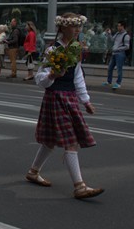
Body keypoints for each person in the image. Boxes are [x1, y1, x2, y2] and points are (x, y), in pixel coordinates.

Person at [25, 13, 104, 199]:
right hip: (56, 97)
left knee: (50, 141)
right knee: (71, 142)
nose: (77, 30)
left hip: (70, 98)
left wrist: (86, 101)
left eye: (79, 27)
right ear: (63, 28)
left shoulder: (75, 49)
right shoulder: (53, 50)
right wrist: (52, 75)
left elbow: (78, 77)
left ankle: (33, 172)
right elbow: (39, 79)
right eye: (73, 26)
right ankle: (79, 186)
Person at [103, 21, 130, 89]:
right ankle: (109, 81)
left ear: (123, 26)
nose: (118, 27)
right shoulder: (117, 34)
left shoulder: (126, 36)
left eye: (119, 26)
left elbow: (127, 46)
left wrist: (117, 49)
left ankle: (118, 83)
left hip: (120, 54)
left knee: (119, 69)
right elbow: (112, 40)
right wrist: (109, 34)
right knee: (110, 68)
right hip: (114, 53)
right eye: (117, 26)